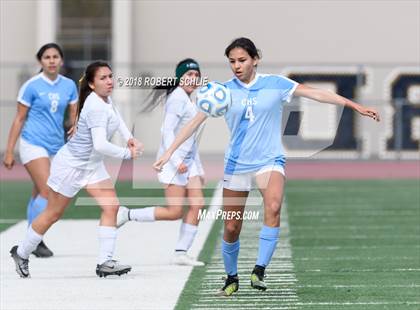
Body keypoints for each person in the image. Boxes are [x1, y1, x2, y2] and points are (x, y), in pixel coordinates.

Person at [153, 37, 380, 296]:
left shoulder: (276, 84)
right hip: (237, 164)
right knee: (231, 226)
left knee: (273, 207)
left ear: (255, 59)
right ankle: (231, 278)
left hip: (269, 160)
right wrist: (168, 153)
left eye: (242, 60)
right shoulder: (222, 91)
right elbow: (194, 122)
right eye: (232, 62)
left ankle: (259, 271)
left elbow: (317, 93)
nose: (237, 66)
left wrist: (355, 105)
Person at [10, 61, 142, 278]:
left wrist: (130, 138)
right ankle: (22, 253)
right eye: (103, 78)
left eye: (110, 76)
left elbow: (117, 118)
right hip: (70, 167)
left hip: (92, 166)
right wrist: (127, 154)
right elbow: (100, 145)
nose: (109, 81)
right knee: (53, 214)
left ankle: (104, 262)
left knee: (112, 207)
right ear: (91, 84)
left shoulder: (105, 99)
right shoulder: (96, 106)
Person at [117, 58, 206, 266]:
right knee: (175, 211)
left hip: (189, 163)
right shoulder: (177, 98)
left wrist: (198, 167)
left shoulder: (189, 99)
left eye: (196, 75)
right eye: (188, 75)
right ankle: (127, 214)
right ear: (179, 77)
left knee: (198, 204)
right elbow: (165, 132)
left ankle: (181, 253)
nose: (193, 79)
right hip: (173, 164)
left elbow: (191, 139)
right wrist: (175, 161)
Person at [3, 43, 78, 258]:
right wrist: (9, 151)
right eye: (47, 57)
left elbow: (73, 118)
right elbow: (19, 119)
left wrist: (76, 141)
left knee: (38, 192)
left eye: (56, 56)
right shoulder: (31, 86)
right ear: (40, 61)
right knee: (48, 192)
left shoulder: (69, 86)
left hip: (56, 145)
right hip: (32, 143)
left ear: (61, 61)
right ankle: (31, 243)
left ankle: (35, 239)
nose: (52, 60)